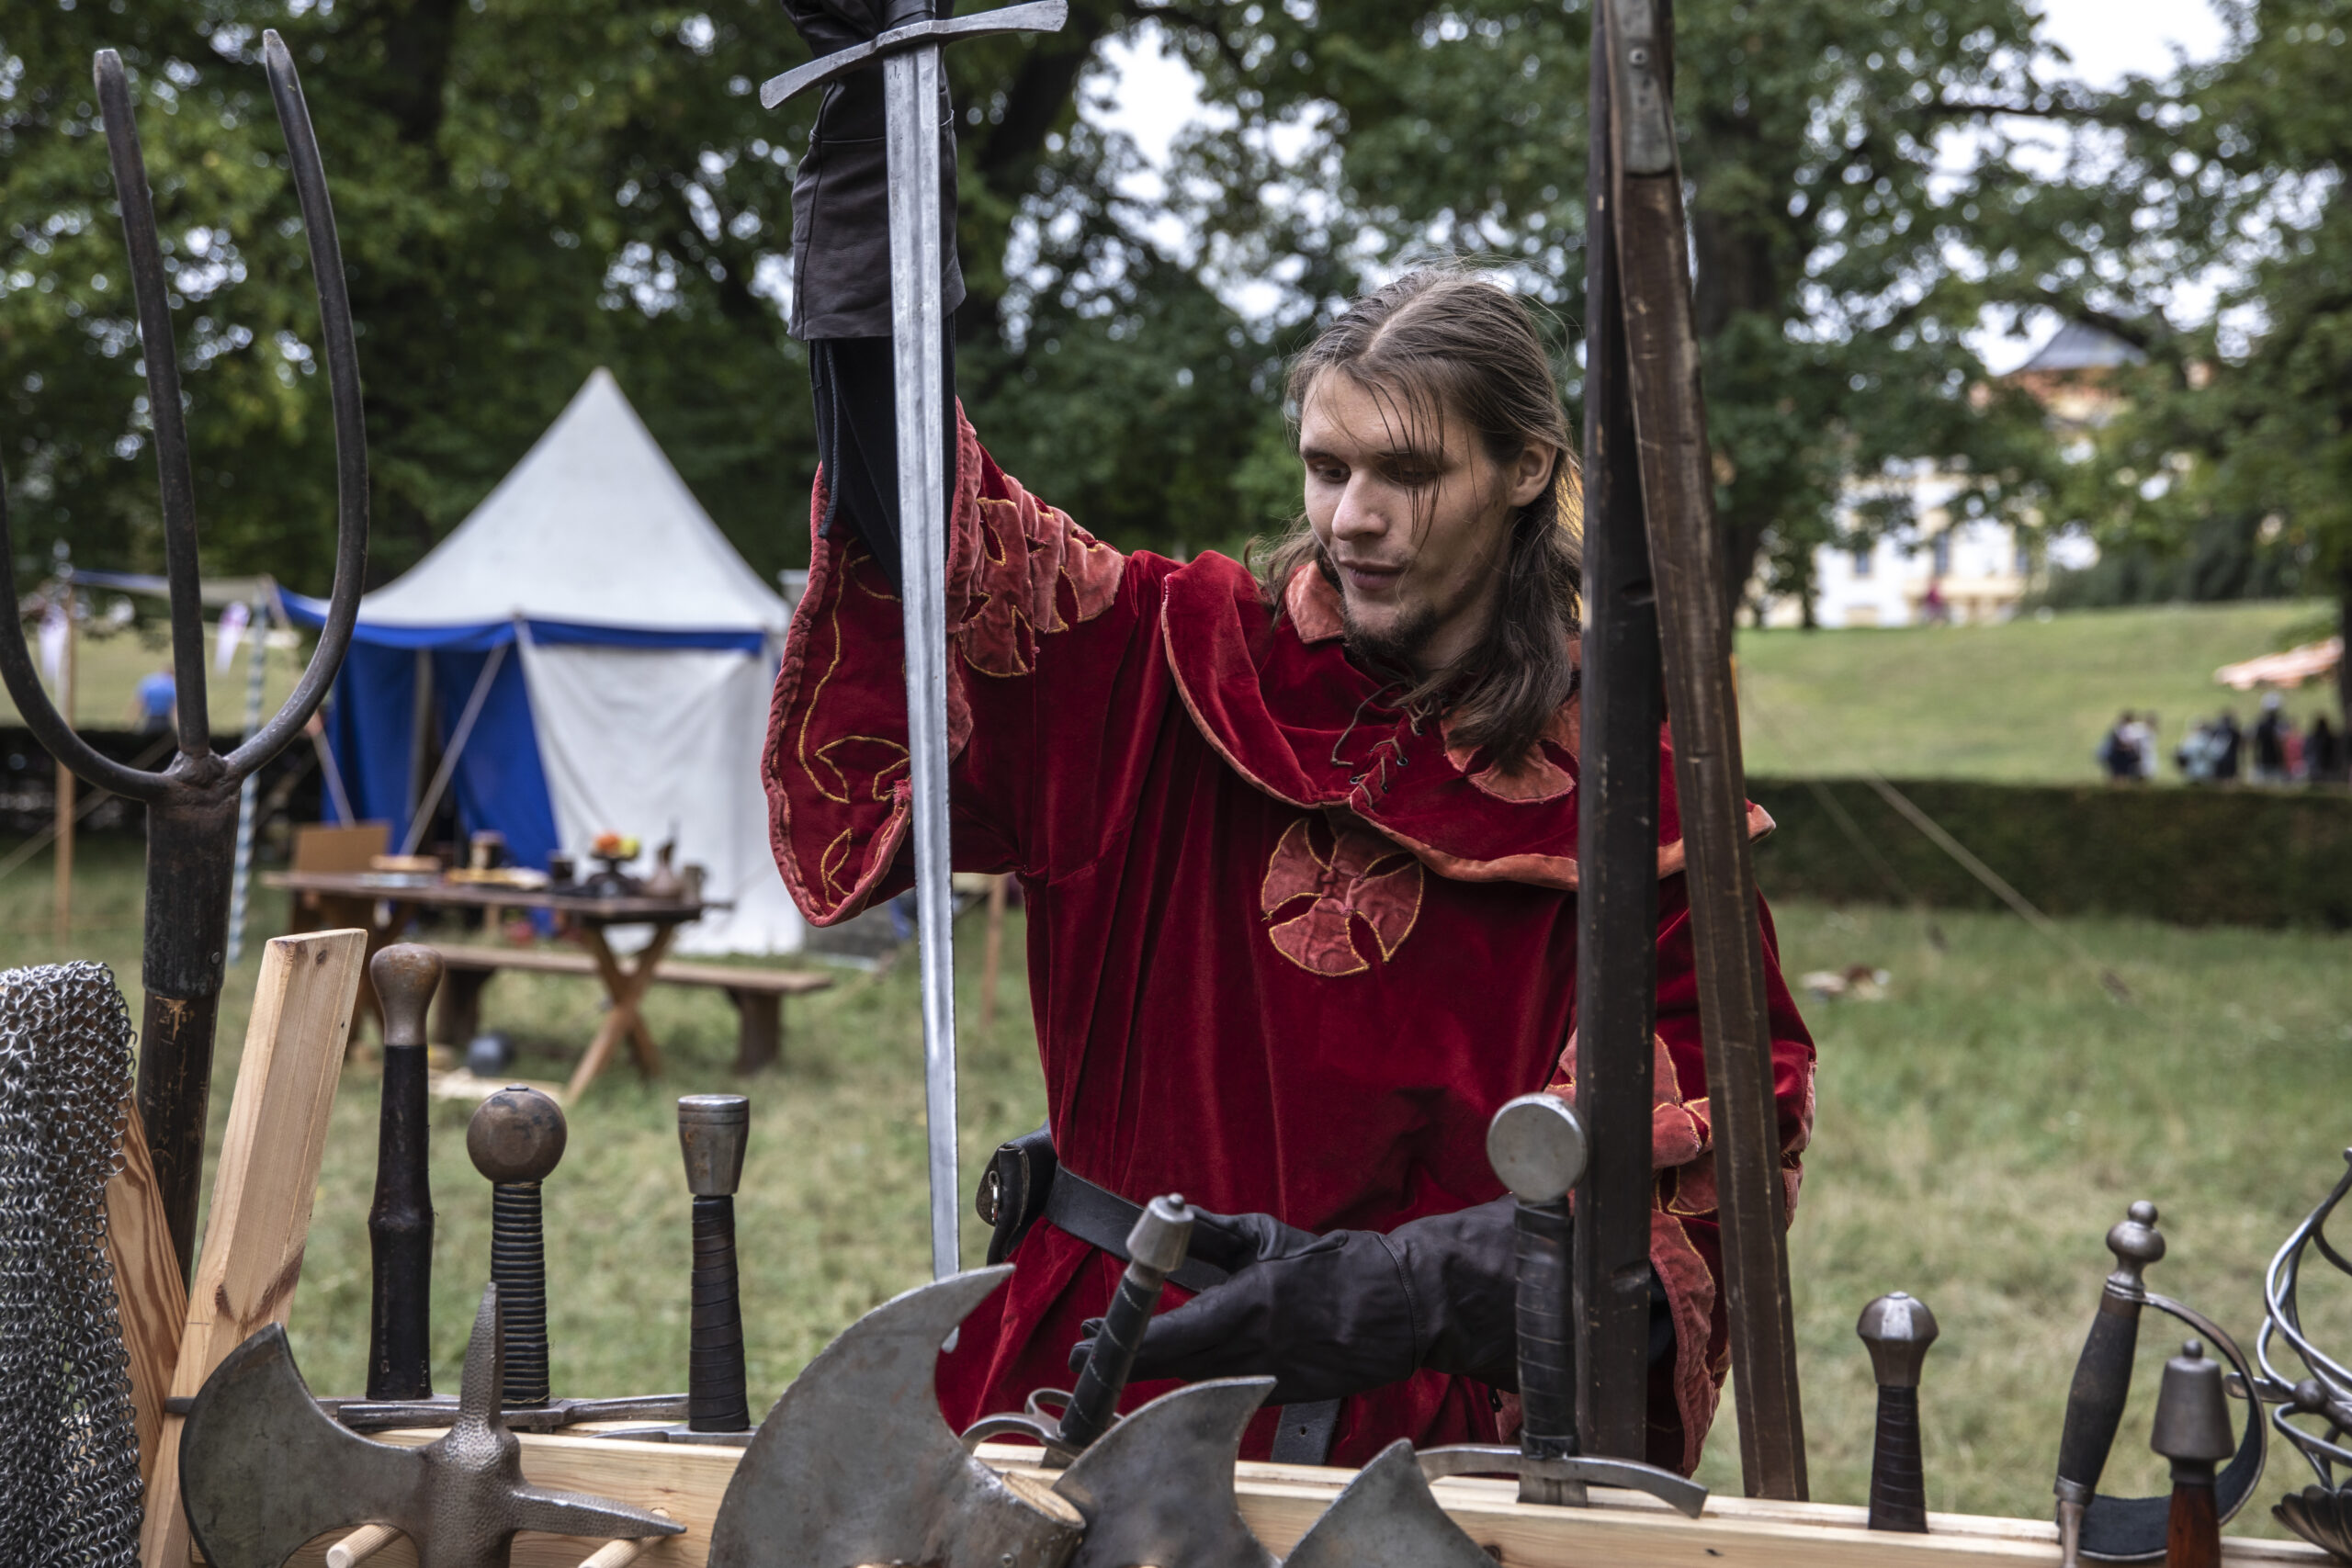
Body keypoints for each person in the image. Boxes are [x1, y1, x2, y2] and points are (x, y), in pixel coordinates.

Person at [760, 3, 1815, 1478]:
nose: (1354, 518)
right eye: (1327, 466)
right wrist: (880, 153)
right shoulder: (1171, 665)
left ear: (1526, 467)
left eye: (1406, 471)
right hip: (1101, 1365)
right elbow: (938, 534)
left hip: (1413, 1442)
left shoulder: (1629, 804)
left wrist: (1422, 1281)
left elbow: (1703, 1152)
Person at [2253, 694, 2290, 785]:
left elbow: (2255, 744)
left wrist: (2256, 760)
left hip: (2264, 760)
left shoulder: (2260, 725)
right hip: (2274, 762)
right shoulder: (2280, 725)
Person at [130, 663, 175, 734]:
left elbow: (139, 705)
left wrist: (132, 724)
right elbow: (174, 709)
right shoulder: (171, 685)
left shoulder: (148, 683)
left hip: (151, 721)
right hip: (165, 722)